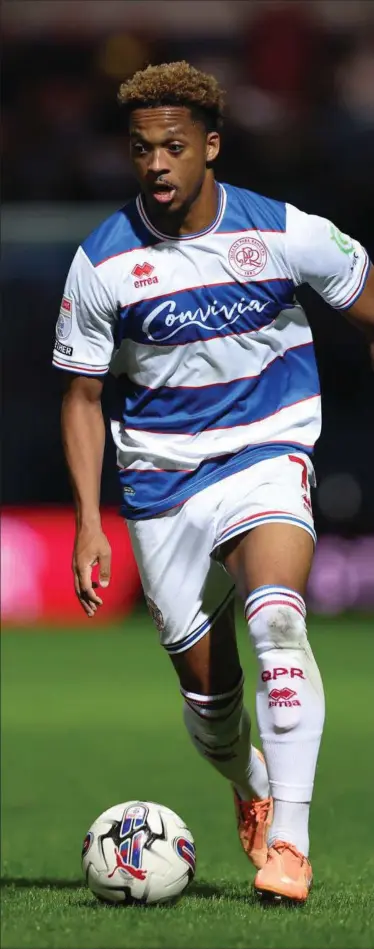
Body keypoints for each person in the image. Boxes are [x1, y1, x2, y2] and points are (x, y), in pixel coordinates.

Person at [53, 61, 374, 903]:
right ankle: (249, 782)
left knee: (278, 621)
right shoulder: (102, 264)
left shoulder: (284, 233)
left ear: (211, 147)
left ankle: (291, 845)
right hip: (161, 487)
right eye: (140, 149)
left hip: (268, 456)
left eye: (173, 147)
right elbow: (84, 397)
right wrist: (90, 520)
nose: (155, 164)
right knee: (212, 711)